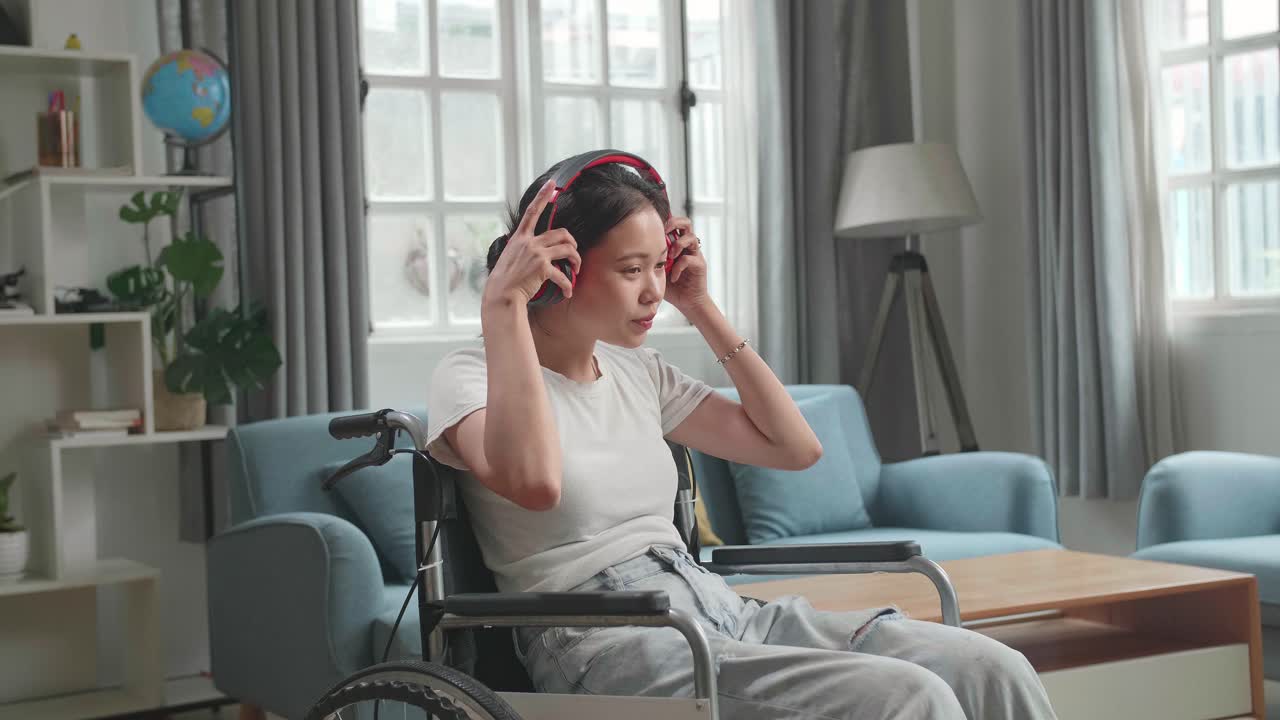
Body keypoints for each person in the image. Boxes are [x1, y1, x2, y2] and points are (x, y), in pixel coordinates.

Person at [425, 155, 1058, 720]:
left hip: (711, 608)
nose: (653, 292)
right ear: (562, 267)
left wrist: (700, 305)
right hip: (607, 640)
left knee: (993, 668)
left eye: (658, 267)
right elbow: (534, 483)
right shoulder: (471, 374)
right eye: (629, 270)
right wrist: (504, 309)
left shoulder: (635, 369)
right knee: (909, 698)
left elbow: (794, 448)